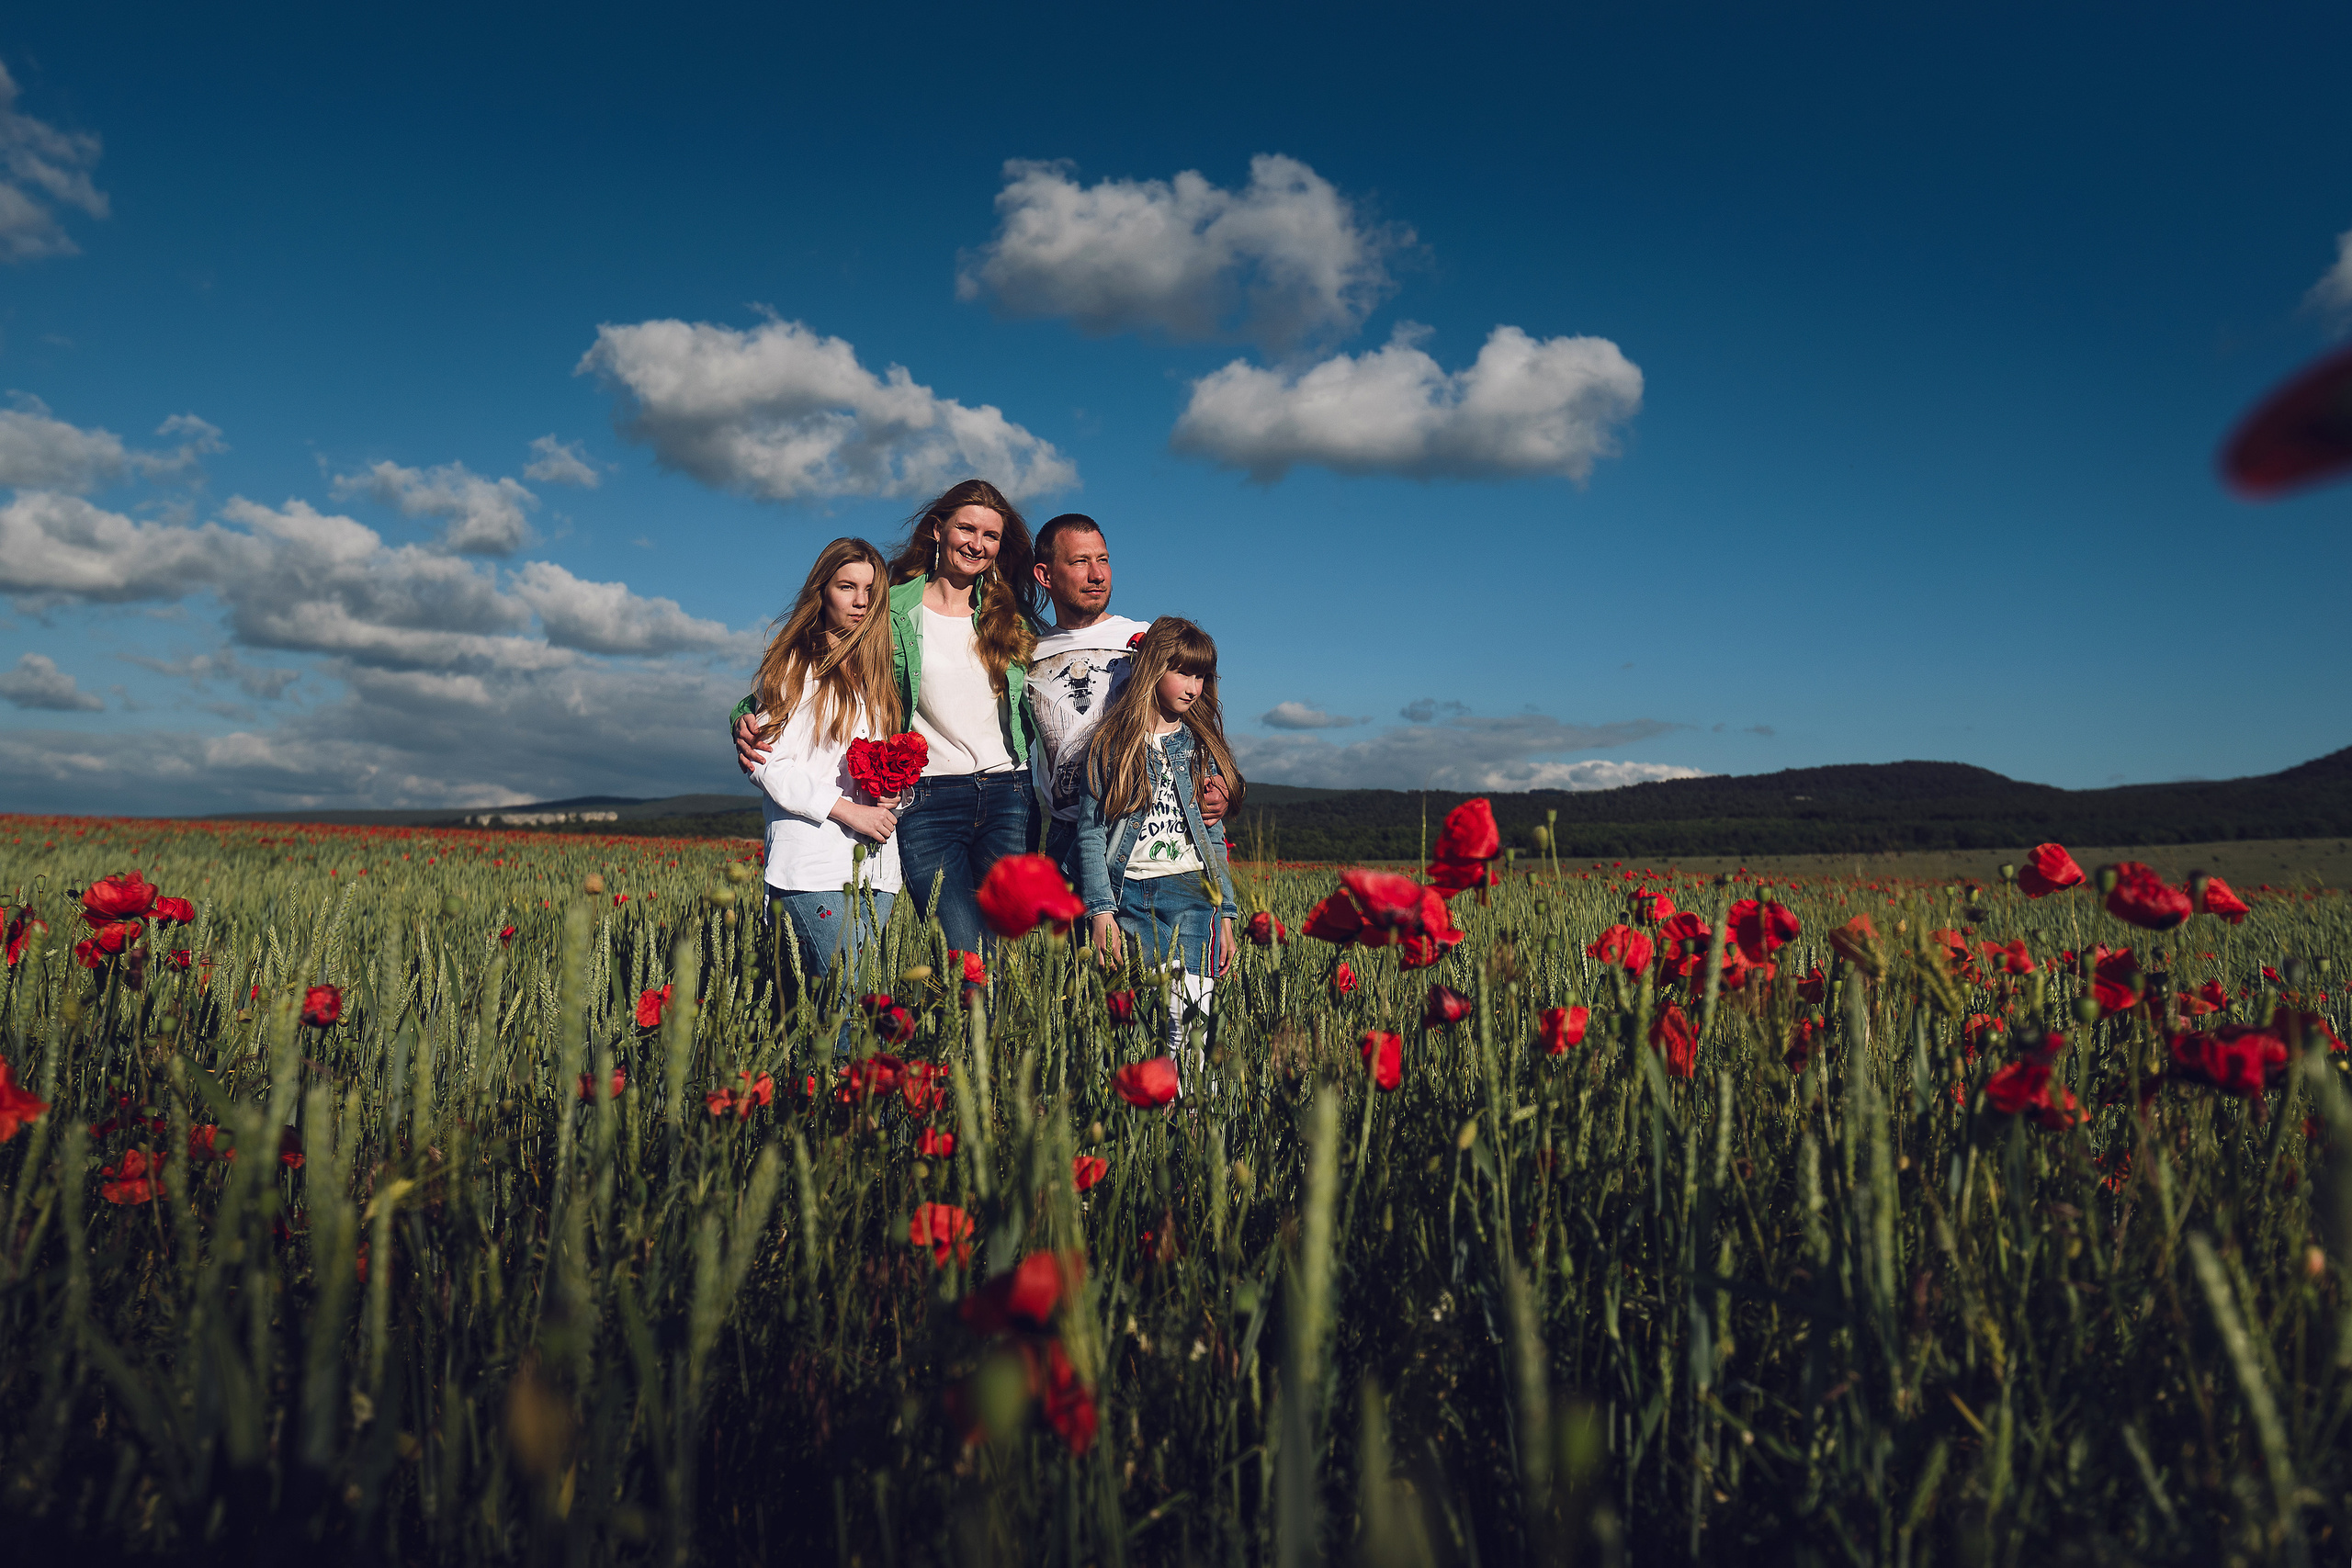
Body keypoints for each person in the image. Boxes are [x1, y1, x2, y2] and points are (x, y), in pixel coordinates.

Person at [736, 479, 1042, 958]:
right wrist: (744, 713)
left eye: (991, 535)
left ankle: (994, 1036)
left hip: (1009, 794)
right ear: (937, 530)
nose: (977, 544)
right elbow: (817, 658)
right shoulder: (888, 606)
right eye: (966, 528)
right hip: (930, 796)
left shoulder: (1009, 616)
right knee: (962, 951)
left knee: (1006, 953)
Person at [1072, 617, 1244, 1063]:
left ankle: (1190, 1118)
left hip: (1191, 891)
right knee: (1142, 1025)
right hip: (1128, 894)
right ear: (1152, 669)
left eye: (1202, 676)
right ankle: (1152, 1118)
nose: (1194, 687)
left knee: (1191, 1025)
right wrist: (1100, 911)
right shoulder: (1112, 745)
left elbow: (1213, 832)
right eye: (1183, 672)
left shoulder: (1200, 746)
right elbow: (1090, 834)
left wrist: (1225, 912)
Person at [742, 537, 904, 997]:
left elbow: (887, 765)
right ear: (822, 591)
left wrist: (894, 792)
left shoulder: (878, 677)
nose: (860, 601)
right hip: (813, 865)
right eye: (847, 587)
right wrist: (848, 811)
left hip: (877, 868)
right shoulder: (797, 664)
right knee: (850, 1008)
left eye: (871, 590)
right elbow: (766, 762)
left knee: (846, 1004)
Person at [1023, 513, 1227, 876]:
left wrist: (1220, 782)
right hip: (1066, 836)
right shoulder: (1026, 654)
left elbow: (1201, 725)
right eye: (1080, 562)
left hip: (1140, 835)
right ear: (1045, 575)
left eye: (1103, 559)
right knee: (1075, 937)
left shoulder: (1146, 640)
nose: (1098, 574)